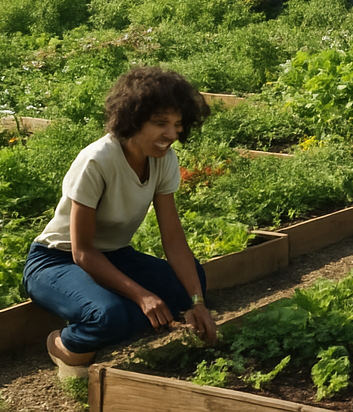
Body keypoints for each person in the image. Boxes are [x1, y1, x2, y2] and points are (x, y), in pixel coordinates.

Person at [23, 67, 217, 378]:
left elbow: (173, 239)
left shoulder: (164, 160)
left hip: (115, 256)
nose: (171, 135)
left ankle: (116, 317)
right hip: (57, 261)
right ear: (133, 119)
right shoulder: (97, 160)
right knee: (108, 315)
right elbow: (82, 252)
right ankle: (63, 344)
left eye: (177, 124)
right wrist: (142, 295)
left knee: (191, 282)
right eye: (161, 124)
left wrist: (197, 302)